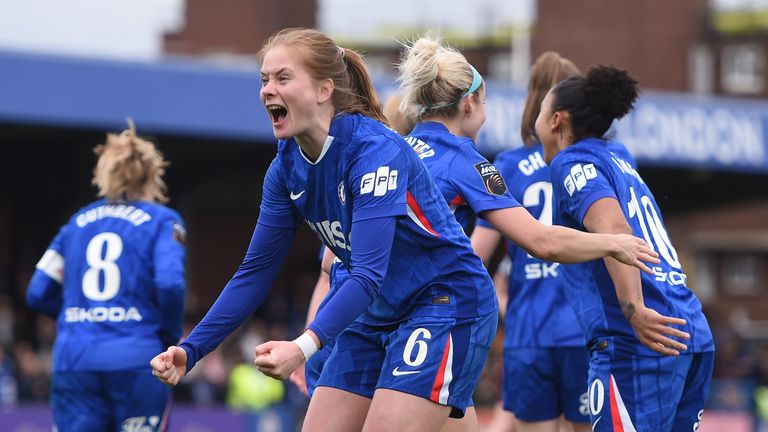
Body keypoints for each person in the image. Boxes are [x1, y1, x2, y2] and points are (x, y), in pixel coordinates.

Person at [151, 27, 501, 432]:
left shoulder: (375, 151)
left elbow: (367, 274)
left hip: (444, 303)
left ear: (323, 90)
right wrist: (191, 350)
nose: (267, 90)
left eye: (283, 78)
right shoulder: (285, 169)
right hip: (377, 312)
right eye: (264, 79)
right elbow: (253, 274)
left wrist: (302, 347)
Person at [534, 64, 715, 431]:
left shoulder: (571, 160)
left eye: (540, 111)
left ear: (556, 120)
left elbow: (614, 229)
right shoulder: (618, 156)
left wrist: (634, 309)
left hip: (640, 341)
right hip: (690, 329)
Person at [26, 123, 186, 432]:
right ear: (152, 175)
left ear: (105, 174)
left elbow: (37, 291)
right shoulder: (163, 220)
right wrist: (168, 337)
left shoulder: (76, 223)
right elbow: (170, 283)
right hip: (139, 360)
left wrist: (78, 316)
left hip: (75, 361)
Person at [471, 51, 598, 432]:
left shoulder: (507, 166)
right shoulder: (591, 163)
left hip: (529, 332)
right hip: (584, 329)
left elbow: (475, 254)